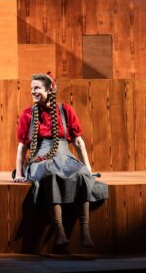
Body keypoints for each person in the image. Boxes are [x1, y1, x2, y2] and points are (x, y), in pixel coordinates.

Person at [13, 73, 108, 247]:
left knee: (81, 174)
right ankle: (59, 231)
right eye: (32, 88)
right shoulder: (27, 114)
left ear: (50, 90)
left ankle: (85, 231)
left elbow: (78, 141)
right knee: (51, 175)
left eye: (37, 88)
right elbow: (22, 147)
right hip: (40, 158)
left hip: (64, 156)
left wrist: (87, 167)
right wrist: (19, 173)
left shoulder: (65, 110)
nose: (33, 91)